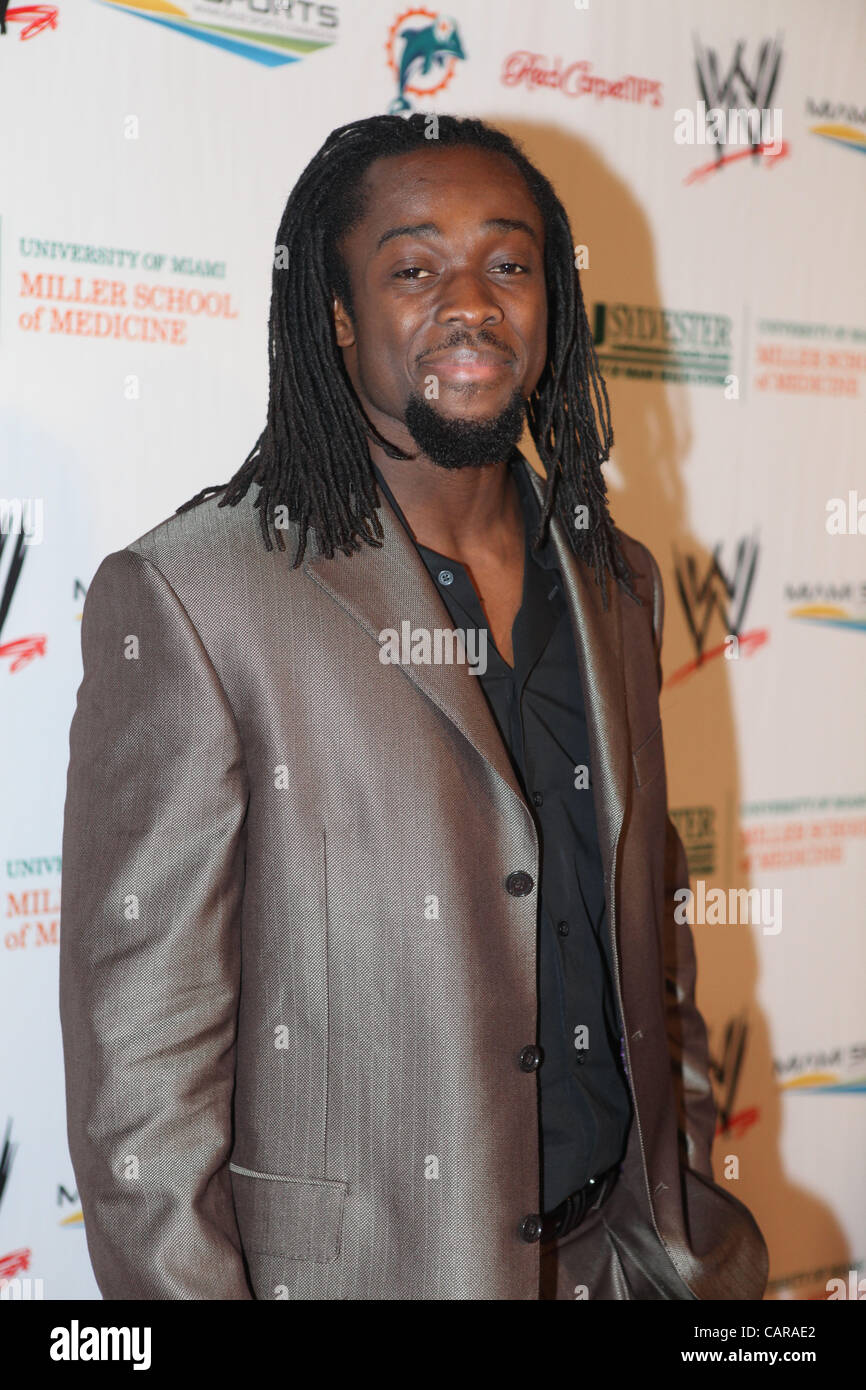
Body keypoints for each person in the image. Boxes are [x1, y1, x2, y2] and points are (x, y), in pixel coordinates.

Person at [59, 112, 768, 1300]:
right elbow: (143, 1088)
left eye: (507, 262)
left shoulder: (616, 580)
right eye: (411, 268)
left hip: (623, 1264)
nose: (471, 302)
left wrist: (681, 1186)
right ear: (336, 320)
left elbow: (648, 927)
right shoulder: (195, 596)